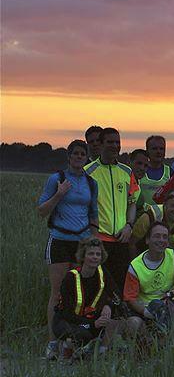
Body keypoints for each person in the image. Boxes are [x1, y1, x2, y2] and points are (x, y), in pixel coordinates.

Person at [39, 139, 99, 357]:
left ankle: (72, 341)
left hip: (81, 241)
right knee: (57, 293)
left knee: (78, 293)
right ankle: (52, 341)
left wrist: (94, 241)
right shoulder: (56, 179)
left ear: (86, 157)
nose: (79, 157)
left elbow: (93, 214)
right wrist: (59, 194)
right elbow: (41, 211)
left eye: (83, 154)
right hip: (59, 239)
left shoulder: (91, 183)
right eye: (75, 154)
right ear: (69, 156)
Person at [52, 237, 133, 358]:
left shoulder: (103, 273)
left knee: (117, 313)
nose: (95, 257)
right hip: (67, 320)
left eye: (98, 254)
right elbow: (66, 313)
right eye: (91, 254)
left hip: (90, 319)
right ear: (83, 257)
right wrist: (93, 323)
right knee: (82, 335)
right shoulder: (71, 278)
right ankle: (67, 347)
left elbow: (117, 295)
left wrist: (108, 306)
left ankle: (101, 350)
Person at [124, 223, 174, 344]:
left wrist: (171, 294)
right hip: (148, 308)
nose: (161, 240)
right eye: (157, 236)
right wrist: (146, 312)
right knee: (133, 323)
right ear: (147, 240)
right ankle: (152, 346)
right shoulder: (135, 266)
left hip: (170, 303)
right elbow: (130, 298)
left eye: (165, 237)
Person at [85, 128, 139, 288]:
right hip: (99, 239)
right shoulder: (89, 172)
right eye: (110, 142)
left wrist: (129, 225)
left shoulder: (126, 171)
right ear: (101, 144)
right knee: (98, 284)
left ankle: (120, 313)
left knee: (120, 282)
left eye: (117, 142)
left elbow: (132, 202)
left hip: (122, 238)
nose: (115, 146)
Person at [131, 190, 174, 261]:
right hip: (148, 257)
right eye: (173, 206)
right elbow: (132, 244)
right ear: (165, 205)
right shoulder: (149, 216)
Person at [139, 136, 171, 210]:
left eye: (161, 149)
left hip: (163, 218)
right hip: (142, 217)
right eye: (154, 149)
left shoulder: (170, 172)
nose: (158, 152)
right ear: (147, 151)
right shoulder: (139, 171)